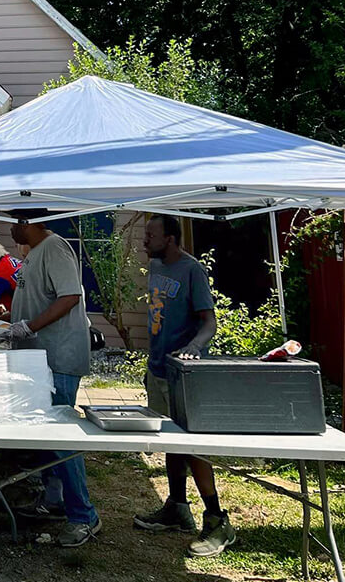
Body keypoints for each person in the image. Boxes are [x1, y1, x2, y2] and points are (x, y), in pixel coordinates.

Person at [134, 214, 234, 556]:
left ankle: (217, 519)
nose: (145, 240)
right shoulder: (156, 266)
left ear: (171, 239)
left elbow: (209, 323)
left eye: (151, 235)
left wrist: (194, 347)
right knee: (170, 441)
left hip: (183, 374)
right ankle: (177, 507)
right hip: (157, 369)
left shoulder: (192, 270)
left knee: (193, 447)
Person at [7, 209, 101, 547]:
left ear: (27, 223)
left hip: (58, 357)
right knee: (46, 433)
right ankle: (54, 498)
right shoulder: (34, 252)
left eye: (13, 222)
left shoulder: (55, 247)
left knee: (61, 438)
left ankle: (84, 516)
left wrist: (30, 326)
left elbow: (69, 296)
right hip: (39, 357)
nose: (11, 229)